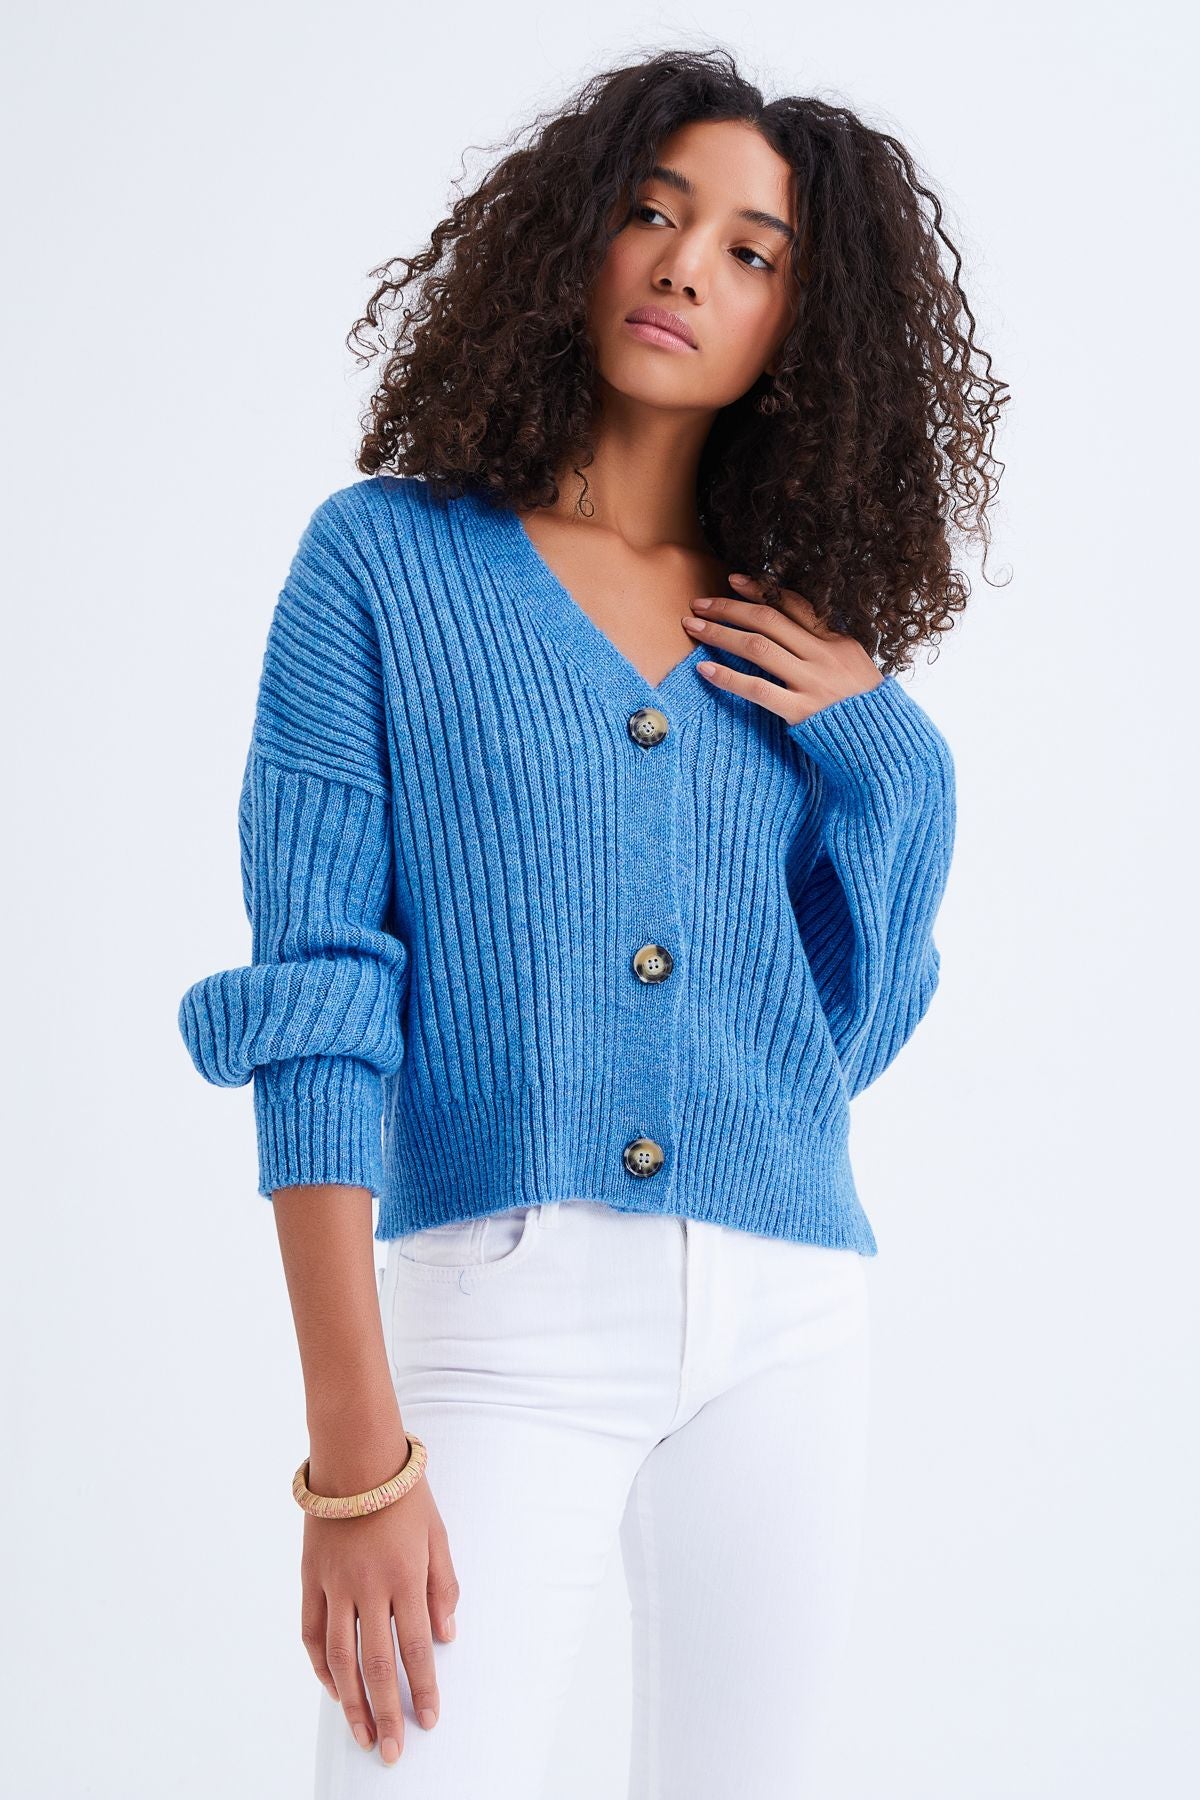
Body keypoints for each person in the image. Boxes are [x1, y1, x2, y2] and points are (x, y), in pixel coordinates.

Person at [177, 45, 1006, 1800]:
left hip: (788, 1318)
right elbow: (318, 998)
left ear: (804, 326)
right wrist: (356, 1455)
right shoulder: (383, 565)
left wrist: (894, 755)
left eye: (753, 252)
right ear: (575, 236)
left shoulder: (796, 634)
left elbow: (829, 1049)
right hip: (500, 1313)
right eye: (654, 211)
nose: (688, 265)